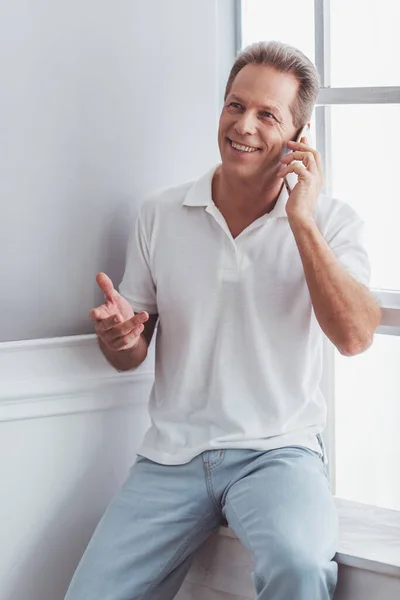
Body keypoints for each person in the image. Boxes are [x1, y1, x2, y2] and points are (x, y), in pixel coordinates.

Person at [65, 41, 381, 600]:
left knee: (300, 569)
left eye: (267, 115)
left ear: (300, 137)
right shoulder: (159, 213)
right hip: (170, 456)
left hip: (279, 453)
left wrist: (300, 221)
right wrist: (119, 338)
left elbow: (355, 336)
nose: (244, 125)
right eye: (235, 105)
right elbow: (131, 353)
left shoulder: (333, 223)